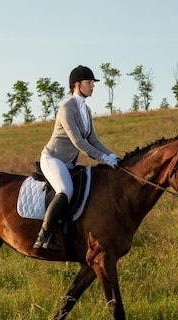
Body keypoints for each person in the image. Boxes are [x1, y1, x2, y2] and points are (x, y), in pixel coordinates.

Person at [33, 65, 118, 252]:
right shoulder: (67, 108)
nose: (92, 86)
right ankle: (44, 235)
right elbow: (79, 142)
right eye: (89, 83)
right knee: (65, 190)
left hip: (70, 162)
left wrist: (112, 156)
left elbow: (94, 140)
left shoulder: (86, 110)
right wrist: (103, 158)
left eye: (92, 83)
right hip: (53, 158)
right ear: (76, 85)